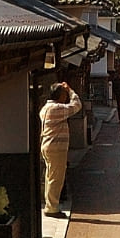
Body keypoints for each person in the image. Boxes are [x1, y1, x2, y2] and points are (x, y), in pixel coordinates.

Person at [38, 83, 84, 216]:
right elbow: (77, 105)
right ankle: (52, 208)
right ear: (59, 95)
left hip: (48, 145)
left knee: (50, 176)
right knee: (56, 178)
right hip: (56, 147)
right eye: (64, 94)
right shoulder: (56, 108)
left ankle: (50, 204)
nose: (66, 97)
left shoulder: (45, 108)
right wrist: (70, 90)